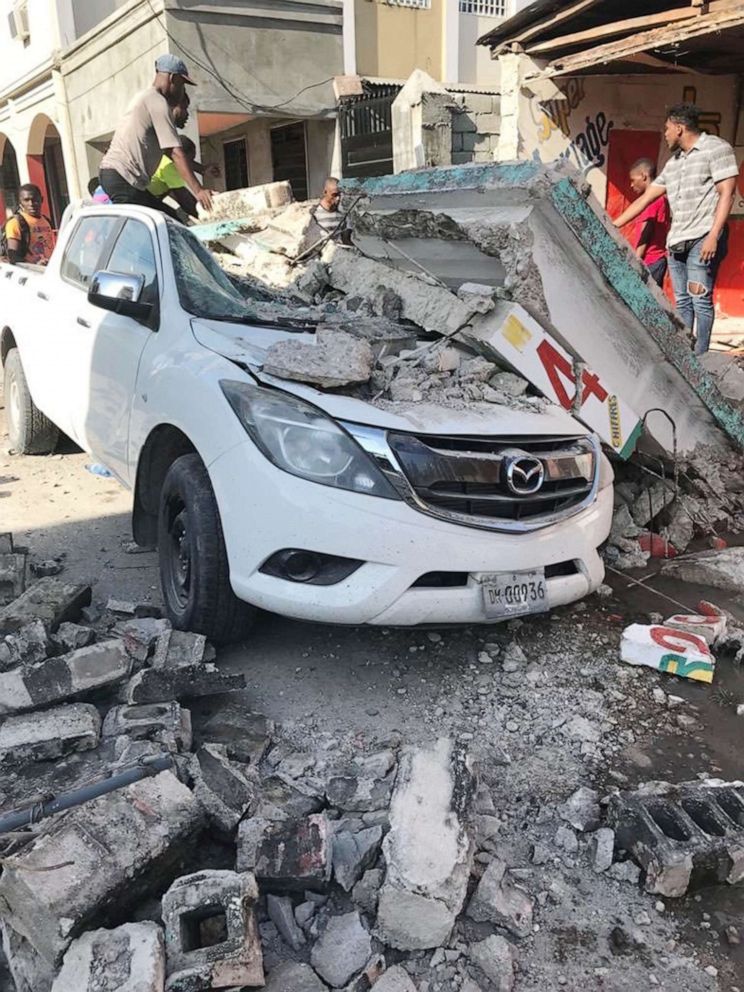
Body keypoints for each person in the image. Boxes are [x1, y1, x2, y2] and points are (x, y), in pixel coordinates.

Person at [614, 104, 738, 354]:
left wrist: (714, 235)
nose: (666, 134)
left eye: (667, 129)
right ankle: (684, 354)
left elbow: (728, 192)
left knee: (699, 299)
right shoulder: (674, 163)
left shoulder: (716, 148)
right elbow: (645, 198)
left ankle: (701, 357)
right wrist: (613, 225)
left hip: (702, 238)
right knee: (682, 302)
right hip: (677, 243)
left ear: (680, 128)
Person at [99, 53, 213, 216]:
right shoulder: (157, 102)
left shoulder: (147, 98)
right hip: (122, 178)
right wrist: (199, 191)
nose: (183, 91)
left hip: (119, 177)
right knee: (161, 226)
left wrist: (201, 169)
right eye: (182, 85)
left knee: (169, 219)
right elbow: (175, 152)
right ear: (173, 78)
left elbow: (169, 153)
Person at [627, 158, 670, 288]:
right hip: (656, 261)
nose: (631, 185)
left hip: (650, 261)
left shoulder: (651, 200)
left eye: (633, 180)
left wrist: (635, 261)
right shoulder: (661, 199)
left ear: (644, 176)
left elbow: (646, 232)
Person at [147, 136, 200, 219]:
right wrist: (201, 217)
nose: (189, 165)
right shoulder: (169, 166)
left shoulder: (162, 156)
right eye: (188, 161)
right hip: (145, 198)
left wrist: (203, 169)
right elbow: (184, 198)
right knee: (172, 218)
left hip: (155, 192)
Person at [2, 184, 54, 265]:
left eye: (35, 200)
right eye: (26, 200)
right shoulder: (15, 223)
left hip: (49, 270)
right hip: (32, 272)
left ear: (41, 199)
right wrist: (35, 265)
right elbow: (13, 256)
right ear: (20, 203)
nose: (31, 204)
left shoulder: (46, 221)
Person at [310, 177, 351, 244]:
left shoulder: (343, 215)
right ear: (325, 192)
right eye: (334, 195)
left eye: (339, 195)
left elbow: (345, 240)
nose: (338, 198)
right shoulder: (314, 214)